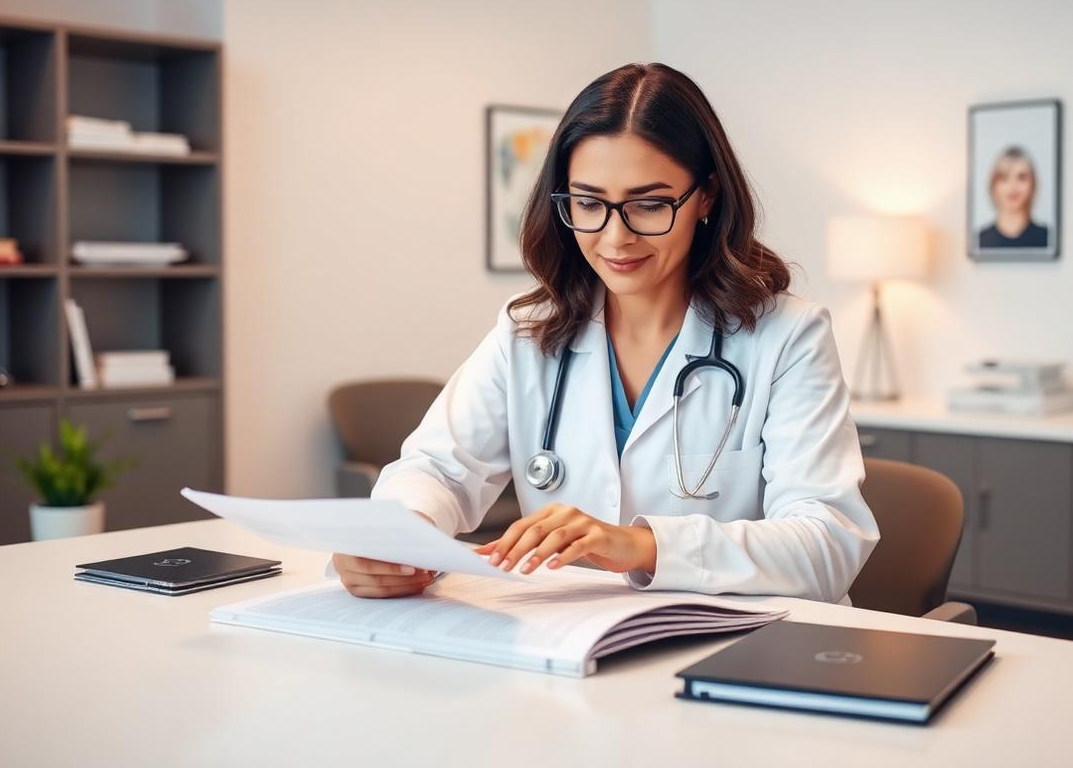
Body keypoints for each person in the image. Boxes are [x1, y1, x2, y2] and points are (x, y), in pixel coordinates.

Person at [332, 63, 878, 603]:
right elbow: (437, 468)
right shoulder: (528, 333)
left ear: (706, 197)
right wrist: (392, 540)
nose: (615, 238)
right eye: (589, 204)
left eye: (647, 204)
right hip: (571, 645)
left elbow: (827, 545)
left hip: (738, 652)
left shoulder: (786, 335)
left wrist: (641, 546)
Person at [978, 145, 1051, 249]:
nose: (1013, 186)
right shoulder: (980, 240)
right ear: (994, 186)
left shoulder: (1047, 237)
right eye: (1004, 178)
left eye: (1021, 178)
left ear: (1033, 184)